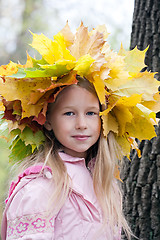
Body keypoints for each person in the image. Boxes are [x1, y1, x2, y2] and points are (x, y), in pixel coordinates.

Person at [0, 22, 159, 240]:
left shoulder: (104, 185)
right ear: (47, 120)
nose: (82, 124)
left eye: (92, 113)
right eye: (69, 113)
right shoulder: (41, 188)